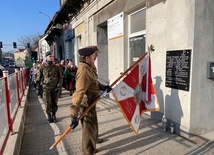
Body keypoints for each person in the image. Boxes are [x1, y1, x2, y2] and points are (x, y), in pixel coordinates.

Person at [70, 46, 111, 155]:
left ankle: (93, 145)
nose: (97, 56)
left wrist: (103, 87)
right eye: (95, 54)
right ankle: (88, 152)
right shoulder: (83, 71)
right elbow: (79, 92)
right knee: (88, 128)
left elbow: (94, 83)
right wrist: (74, 115)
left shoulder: (89, 66)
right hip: (86, 102)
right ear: (87, 58)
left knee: (93, 125)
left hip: (92, 100)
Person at [36, 51, 63, 123]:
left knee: (54, 103)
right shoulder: (42, 67)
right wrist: (38, 88)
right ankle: (49, 116)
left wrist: (59, 86)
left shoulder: (56, 67)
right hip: (46, 88)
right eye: (50, 56)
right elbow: (39, 78)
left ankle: (54, 115)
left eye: (52, 56)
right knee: (47, 103)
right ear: (46, 57)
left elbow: (60, 77)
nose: (51, 57)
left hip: (55, 88)